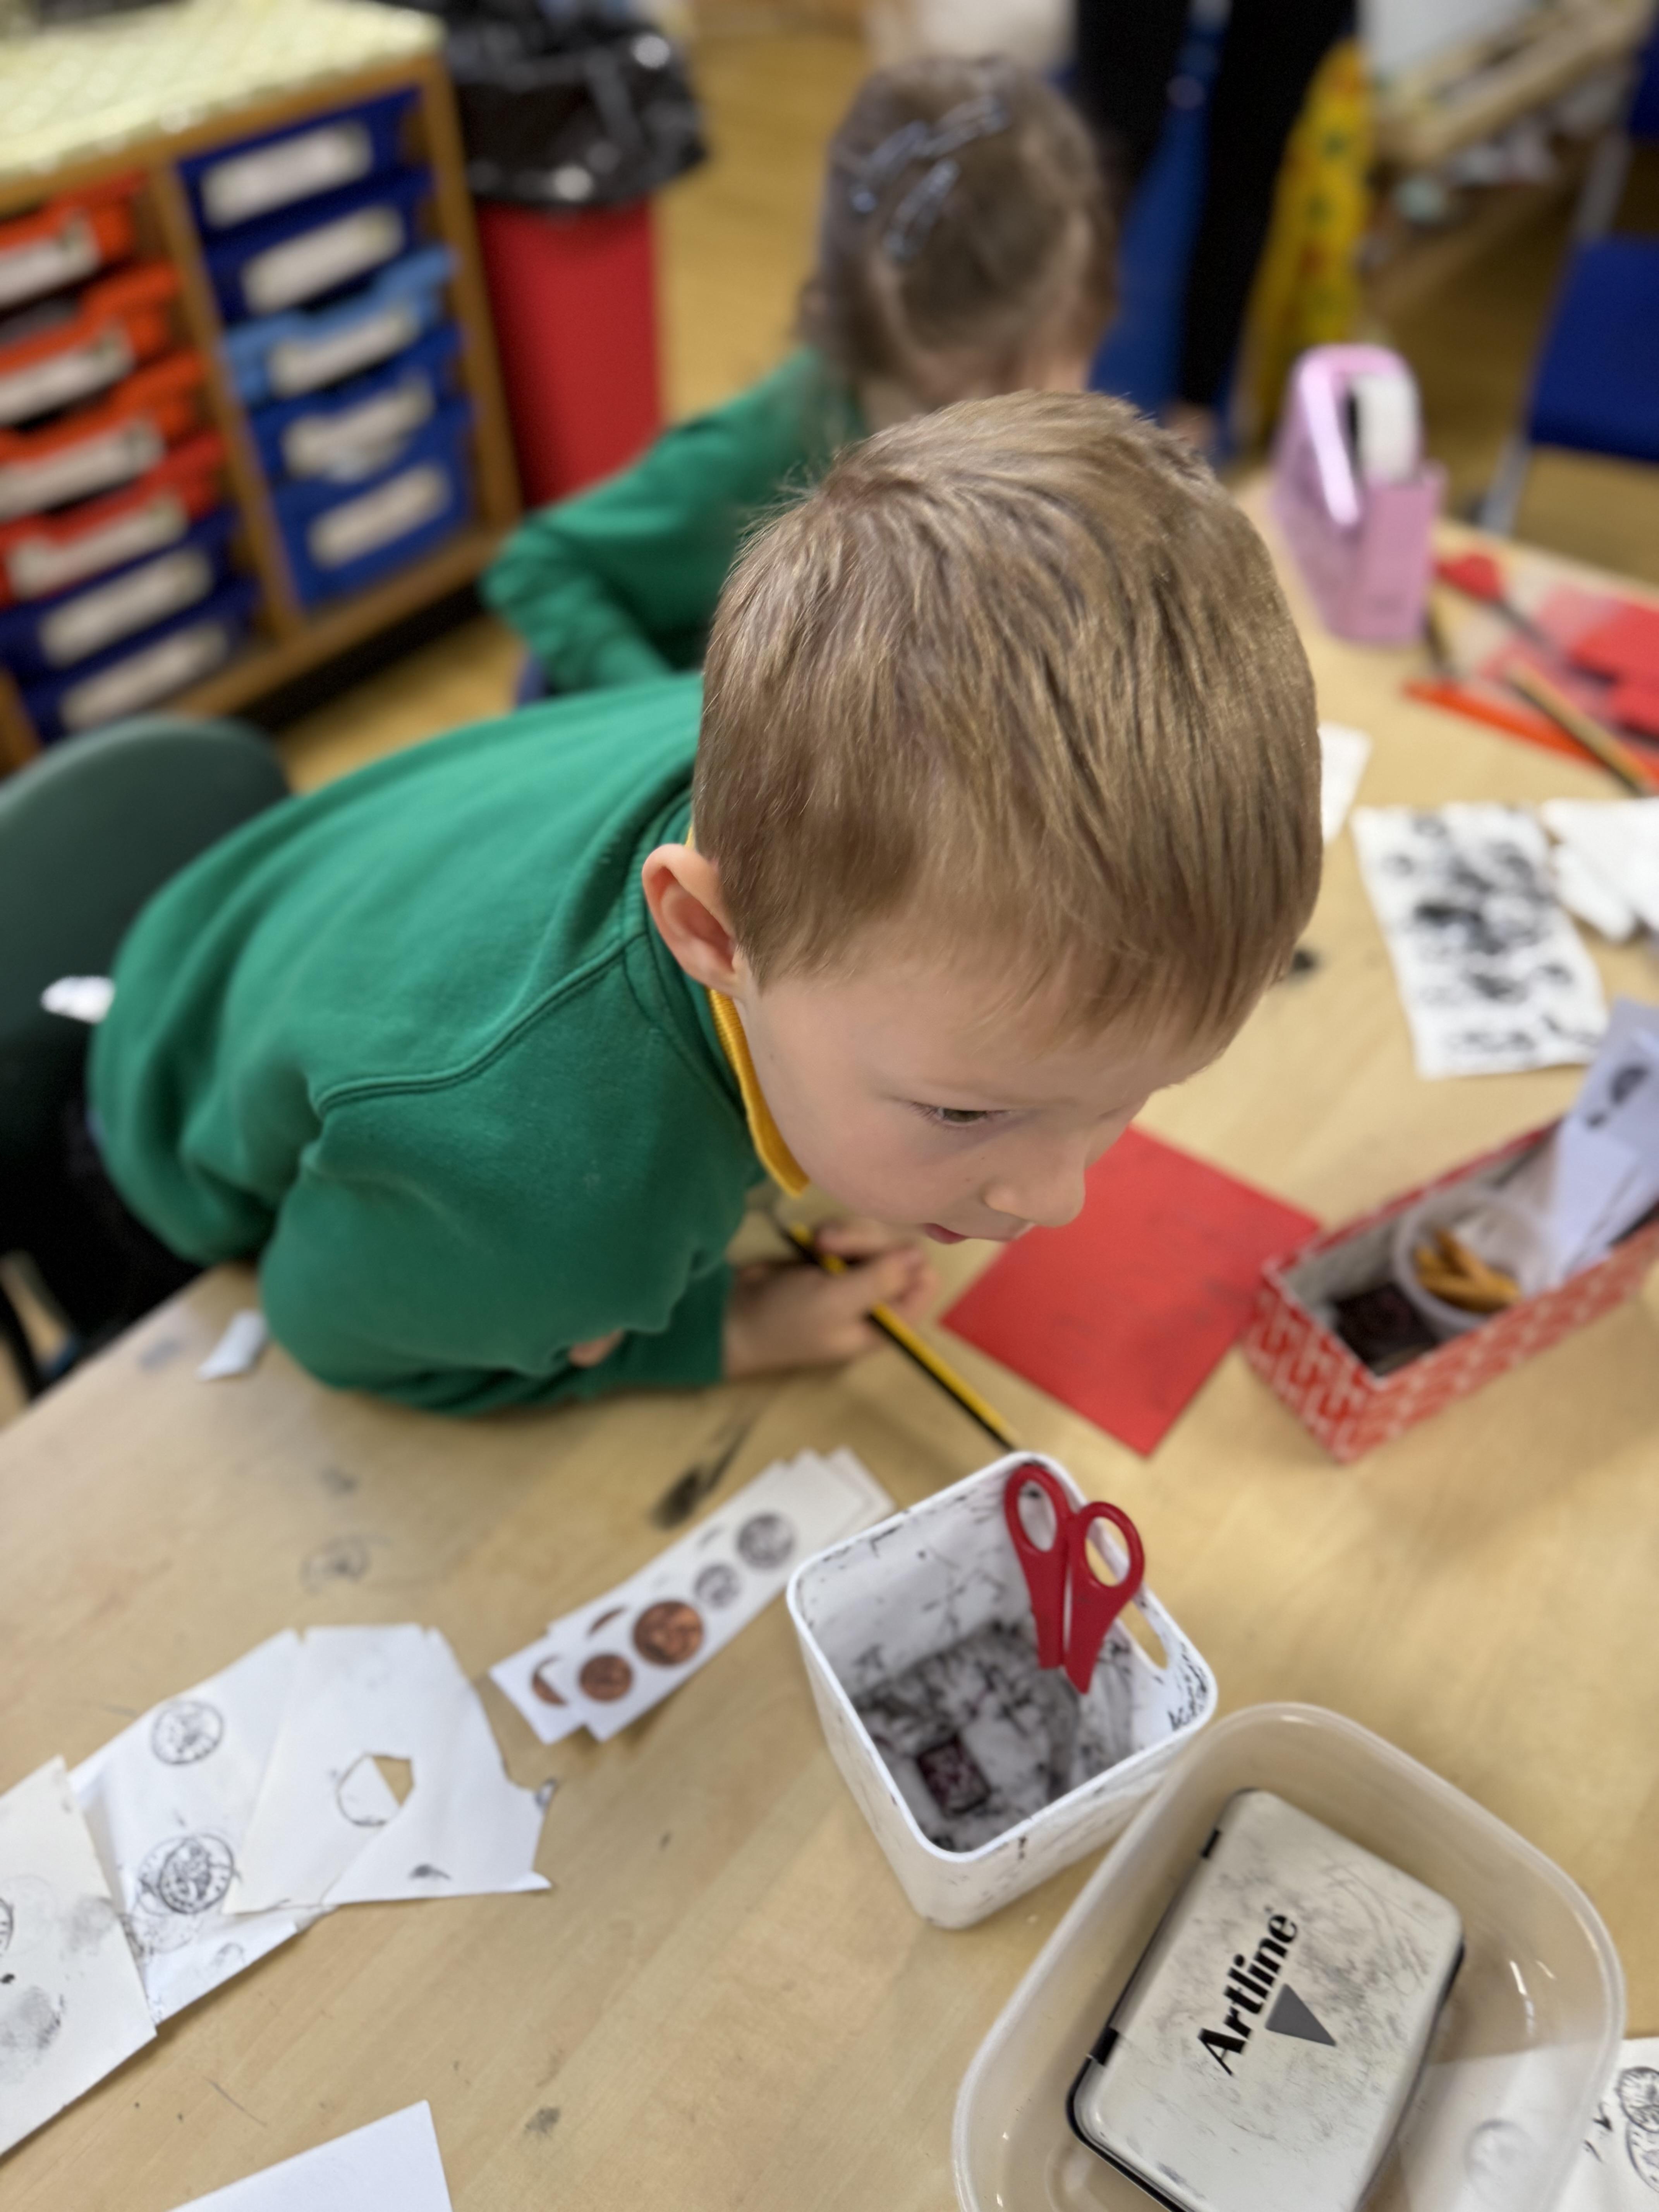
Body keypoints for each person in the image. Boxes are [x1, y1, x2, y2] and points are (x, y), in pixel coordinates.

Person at [90, 392, 1321, 1415]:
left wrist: (933, 1129)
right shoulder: (558, 1211)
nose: (1057, 1198)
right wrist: (705, 1334)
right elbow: (329, 1328)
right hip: (151, 1142)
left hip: (273, 920)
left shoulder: (824, 741)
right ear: (710, 933)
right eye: (963, 1108)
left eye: (1130, 1096)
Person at [482, 54, 1115, 698]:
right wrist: (678, 720)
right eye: (954, 401)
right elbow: (539, 565)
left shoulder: (1019, 423)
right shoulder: (757, 452)